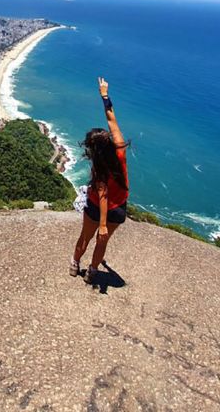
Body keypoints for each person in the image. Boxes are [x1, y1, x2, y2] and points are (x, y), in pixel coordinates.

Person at [70, 77, 129, 284]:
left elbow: (102, 195)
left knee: (85, 237)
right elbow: (111, 119)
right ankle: (92, 271)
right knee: (101, 242)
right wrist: (104, 95)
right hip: (118, 206)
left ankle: (75, 264)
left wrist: (101, 223)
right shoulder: (120, 148)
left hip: (97, 205)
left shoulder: (99, 166)